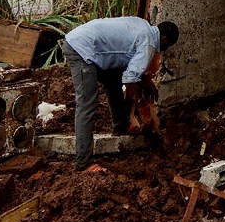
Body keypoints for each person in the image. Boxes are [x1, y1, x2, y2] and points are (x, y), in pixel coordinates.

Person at [61, 17, 179, 171]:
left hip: (88, 44)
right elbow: (130, 81)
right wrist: (139, 103)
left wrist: (144, 79)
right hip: (82, 49)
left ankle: (121, 126)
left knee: (113, 81)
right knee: (87, 103)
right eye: (167, 45)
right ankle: (83, 162)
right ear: (164, 39)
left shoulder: (143, 26)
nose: (165, 49)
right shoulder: (149, 42)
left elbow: (131, 66)